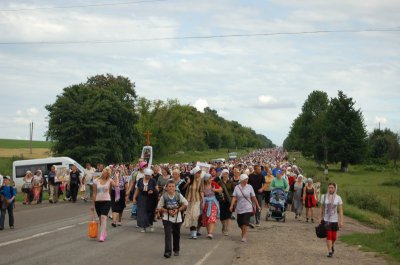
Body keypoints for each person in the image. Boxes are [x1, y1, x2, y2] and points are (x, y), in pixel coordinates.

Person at [157, 179, 188, 258]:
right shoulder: (164, 196)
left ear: (175, 188)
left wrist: (178, 210)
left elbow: (185, 204)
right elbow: (159, 207)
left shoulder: (178, 195)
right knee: (168, 235)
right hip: (167, 218)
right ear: (166, 188)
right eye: (169, 186)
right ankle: (167, 252)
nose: (171, 188)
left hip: (177, 218)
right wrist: (167, 211)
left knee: (176, 234)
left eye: (173, 186)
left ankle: (176, 249)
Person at [230, 174, 261, 242]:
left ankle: (244, 236)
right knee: (240, 223)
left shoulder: (250, 187)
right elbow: (234, 197)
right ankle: (244, 230)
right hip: (239, 208)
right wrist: (231, 205)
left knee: (244, 222)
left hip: (248, 208)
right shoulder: (237, 187)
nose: (246, 181)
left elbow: (253, 197)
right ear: (241, 180)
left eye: (247, 179)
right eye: (245, 180)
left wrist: (258, 205)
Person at [92, 168, 119, 242]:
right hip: (98, 201)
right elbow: (94, 193)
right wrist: (92, 205)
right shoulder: (96, 181)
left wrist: (116, 176)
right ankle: (104, 232)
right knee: (100, 219)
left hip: (107, 201)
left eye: (105, 172)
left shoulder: (109, 180)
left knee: (104, 217)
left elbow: (116, 185)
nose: (103, 173)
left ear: (107, 174)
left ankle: (101, 235)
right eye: (103, 172)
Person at [319, 182, 343, 258]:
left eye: (332, 187)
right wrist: (319, 217)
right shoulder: (324, 196)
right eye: (329, 187)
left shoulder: (338, 198)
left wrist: (341, 220)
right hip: (326, 220)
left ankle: (331, 245)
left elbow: (340, 210)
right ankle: (329, 251)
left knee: (334, 237)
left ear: (335, 189)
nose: (330, 189)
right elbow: (321, 208)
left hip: (335, 220)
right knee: (329, 236)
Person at [133, 168, 157, 233]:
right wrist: (134, 198)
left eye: (148, 175)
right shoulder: (140, 180)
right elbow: (137, 189)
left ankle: (151, 224)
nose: (147, 177)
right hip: (141, 197)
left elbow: (156, 189)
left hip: (150, 198)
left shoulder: (153, 181)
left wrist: (153, 191)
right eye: (146, 175)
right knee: (142, 212)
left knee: (149, 212)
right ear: (144, 174)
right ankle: (144, 227)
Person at [183, 166, 204, 239]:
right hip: (188, 200)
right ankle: (193, 234)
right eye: (198, 172)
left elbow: (201, 191)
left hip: (197, 200)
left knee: (195, 215)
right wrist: (187, 183)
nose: (199, 174)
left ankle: (194, 233)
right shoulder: (189, 179)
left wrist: (203, 201)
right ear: (194, 173)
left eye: (200, 172)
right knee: (190, 216)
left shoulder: (201, 180)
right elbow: (183, 188)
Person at [202, 173, 222, 239]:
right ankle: (209, 233)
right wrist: (202, 202)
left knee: (212, 216)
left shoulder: (213, 183)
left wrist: (215, 190)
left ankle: (210, 233)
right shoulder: (202, 185)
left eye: (211, 178)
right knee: (207, 217)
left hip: (213, 202)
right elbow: (201, 193)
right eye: (209, 178)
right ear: (206, 179)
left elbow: (220, 189)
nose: (211, 179)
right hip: (206, 203)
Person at [217, 169, 234, 235]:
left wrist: (233, 199)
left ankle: (226, 229)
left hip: (229, 200)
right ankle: (223, 225)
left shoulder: (231, 182)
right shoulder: (219, 182)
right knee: (222, 217)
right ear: (222, 175)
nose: (225, 175)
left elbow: (233, 191)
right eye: (224, 174)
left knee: (228, 215)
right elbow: (217, 191)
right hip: (222, 200)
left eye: (226, 174)